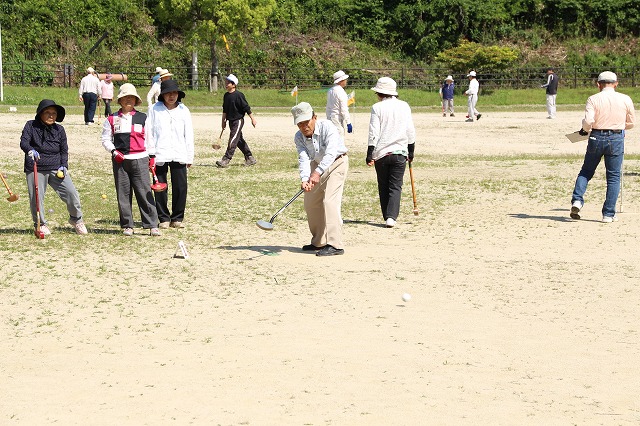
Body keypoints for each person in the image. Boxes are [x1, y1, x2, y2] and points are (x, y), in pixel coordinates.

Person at [570, 71, 635, 223]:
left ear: (598, 84)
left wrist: (585, 130)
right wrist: (619, 126)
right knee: (613, 177)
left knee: (586, 171)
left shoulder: (593, 99)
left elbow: (588, 121)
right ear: (616, 83)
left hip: (596, 136)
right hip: (617, 137)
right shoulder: (625, 98)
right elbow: (631, 123)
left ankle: (577, 201)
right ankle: (608, 214)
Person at [19, 99, 88, 235]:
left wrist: (64, 165)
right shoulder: (30, 125)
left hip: (56, 167)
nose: (51, 116)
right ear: (40, 113)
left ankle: (76, 219)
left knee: (71, 193)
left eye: (54, 113)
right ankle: (41, 224)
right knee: (36, 198)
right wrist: (30, 150)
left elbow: (64, 150)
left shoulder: (60, 129)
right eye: (47, 112)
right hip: (36, 167)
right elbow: (24, 142)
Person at [101, 83, 161, 236]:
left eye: (131, 98)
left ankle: (152, 224)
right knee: (123, 193)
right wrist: (114, 151)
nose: (128, 100)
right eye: (125, 98)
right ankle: (128, 225)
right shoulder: (111, 118)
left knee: (144, 192)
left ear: (136, 100)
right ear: (120, 100)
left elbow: (149, 139)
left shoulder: (143, 118)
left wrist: (152, 157)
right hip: (120, 161)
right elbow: (106, 139)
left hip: (140, 159)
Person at [291, 102, 348, 256]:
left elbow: (331, 153)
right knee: (310, 203)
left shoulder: (327, 127)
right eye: (300, 124)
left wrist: (317, 173)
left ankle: (335, 244)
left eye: (306, 121)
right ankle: (318, 242)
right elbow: (303, 158)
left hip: (337, 162)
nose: (304, 127)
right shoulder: (299, 137)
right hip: (316, 165)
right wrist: (304, 178)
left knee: (329, 201)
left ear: (314, 117)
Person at [367, 77, 416, 228]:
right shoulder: (404, 106)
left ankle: (386, 215)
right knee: (396, 186)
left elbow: (373, 132)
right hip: (400, 152)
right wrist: (411, 151)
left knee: (383, 185)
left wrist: (369, 153)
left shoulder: (377, 107)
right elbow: (410, 130)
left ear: (380, 93)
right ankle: (391, 217)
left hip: (381, 153)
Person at [146, 79, 194, 229]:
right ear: (163, 95)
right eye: (168, 93)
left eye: (174, 93)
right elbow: (149, 133)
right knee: (160, 187)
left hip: (179, 153)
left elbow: (189, 134)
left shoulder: (184, 110)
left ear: (178, 95)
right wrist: (150, 154)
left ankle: (177, 217)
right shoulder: (154, 109)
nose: (171, 96)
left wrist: (189, 155)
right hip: (159, 153)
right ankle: (163, 218)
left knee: (180, 186)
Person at [216, 74, 257, 168]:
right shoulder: (226, 96)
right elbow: (225, 110)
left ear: (233, 84)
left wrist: (253, 119)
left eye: (228, 82)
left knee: (233, 139)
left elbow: (246, 108)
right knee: (239, 140)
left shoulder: (239, 95)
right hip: (230, 121)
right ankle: (250, 158)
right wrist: (223, 121)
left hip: (238, 121)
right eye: (226, 82)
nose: (226, 84)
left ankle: (226, 159)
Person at [326, 70, 353, 137]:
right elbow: (344, 109)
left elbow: (328, 106)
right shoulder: (341, 92)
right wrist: (348, 122)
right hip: (337, 118)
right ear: (341, 81)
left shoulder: (330, 91)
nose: (346, 81)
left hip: (330, 117)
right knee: (339, 138)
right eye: (345, 79)